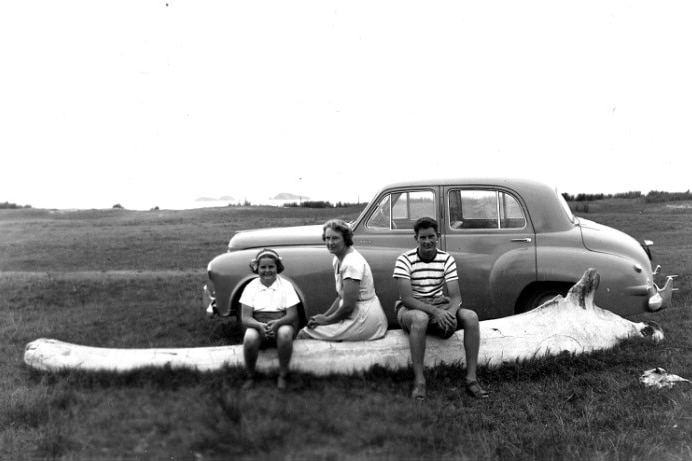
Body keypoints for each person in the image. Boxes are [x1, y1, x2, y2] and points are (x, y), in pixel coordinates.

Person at [393, 217, 488, 400]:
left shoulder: (446, 259)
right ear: (416, 238)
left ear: (437, 236)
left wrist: (450, 315)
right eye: (423, 237)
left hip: (439, 304)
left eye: (431, 236)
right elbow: (407, 299)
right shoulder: (404, 260)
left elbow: (456, 297)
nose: (427, 241)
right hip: (411, 309)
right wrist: (437, 312)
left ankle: (471, 380)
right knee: (420, 319)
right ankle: (420, 382)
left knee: (471, 317)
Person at [297, 219, 388, 341]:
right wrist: (324, 316)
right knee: (313, 327)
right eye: (327, 238)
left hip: (364, 319)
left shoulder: (351, 263)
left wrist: (327, 320)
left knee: (305, 333)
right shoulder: (338, 259)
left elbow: (348, 306)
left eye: (335, 238)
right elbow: (341, 297)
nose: (330, 242)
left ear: (346, 239)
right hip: (356, 315)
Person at [239, 248, 300, 390]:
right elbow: (245, 317)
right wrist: (259, 326)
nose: (267, 270)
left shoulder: (286, 286)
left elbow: (293, 315)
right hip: (258, 323)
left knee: (285, 334)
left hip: (282, 322)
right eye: (263, 267)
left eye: (271, 266)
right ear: (257, 268)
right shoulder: (251, 287)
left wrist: (278, 323)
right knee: (249, 338)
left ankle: (283, 375)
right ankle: (250, 375)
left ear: (277, 267)